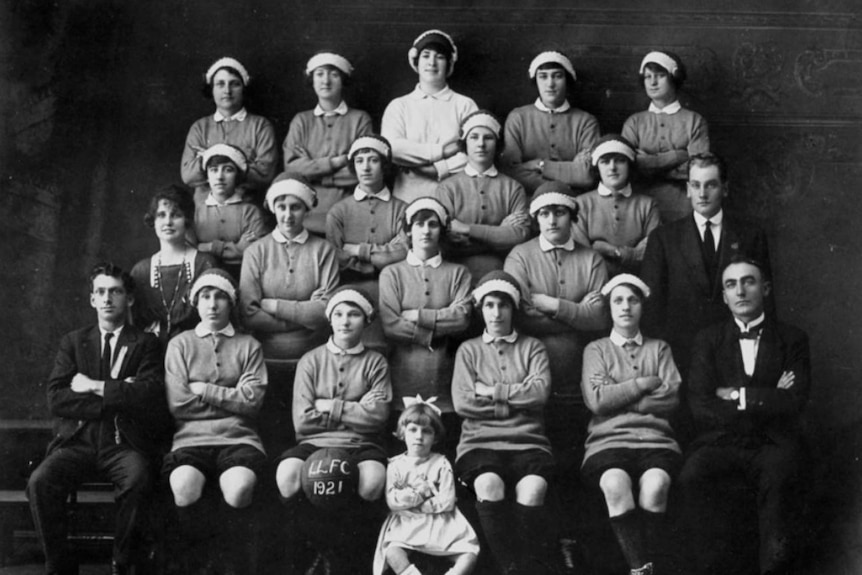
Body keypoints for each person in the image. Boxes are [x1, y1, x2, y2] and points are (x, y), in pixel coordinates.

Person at [27, 263, 168, 575]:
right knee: (40, 482)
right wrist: (118, 396)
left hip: (122, 443)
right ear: (92, 299)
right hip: (78, 441)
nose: (107, 299)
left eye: (115, 291)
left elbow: (149, 395)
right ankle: (60, 565)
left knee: (138, 478)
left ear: (128, 299)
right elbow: (57, 398)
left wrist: (93, 387)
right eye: (101, 292)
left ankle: (121, 561)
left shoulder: (145, 344)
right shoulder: (74, 342)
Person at [679, 257, 810, 575]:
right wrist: (767, 396)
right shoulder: (707, 340)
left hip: (772, 441)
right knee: (691, 476)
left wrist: (737, 396)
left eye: (748, 281)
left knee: (781, 479)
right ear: (724, 296)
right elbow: (700, 405)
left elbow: (794, 400)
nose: (740, 291)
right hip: (721, 440)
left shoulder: (792, 338)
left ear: (764, 289)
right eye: (731, 284)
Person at [504, 181, 608, 567]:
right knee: (532, 464)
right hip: (528, 376)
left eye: (559, 212)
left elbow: (600, 318)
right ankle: (534, 550)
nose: (551, 219)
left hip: (575, 379)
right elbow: (519, 314)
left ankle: (570, 541)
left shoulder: (592, 259)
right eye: (544, 213)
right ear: (535, 219)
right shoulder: (520, 255)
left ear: (572, 217)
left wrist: (550, 304)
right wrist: (574, 311)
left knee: (571, 461)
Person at [275, 286, 392, 574]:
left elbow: (377, 418)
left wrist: (327, 406)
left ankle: (347, 556)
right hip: (314, 442)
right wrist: (355, 408)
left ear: (365, 321)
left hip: (360, 443)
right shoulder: (310, 361)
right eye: (338, 314)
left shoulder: (375, 362)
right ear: (330, 319)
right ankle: (315, 550)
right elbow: (303, 420)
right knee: (288, 476)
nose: (345, 321)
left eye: (353, 314)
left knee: (373, 480)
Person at [163, 268, 267, 573]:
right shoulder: (180, 345)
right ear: (195, 303)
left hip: (239, 439)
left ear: (230, 303)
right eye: (205, 297)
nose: (212, 304)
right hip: (190, 439)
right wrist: (231, 398)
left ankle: (229, 565)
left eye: (220, 297)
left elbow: (252, 402)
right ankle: (197, 565)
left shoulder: (249, 346)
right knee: (183, 484)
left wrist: (204, 389)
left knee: (239, 487)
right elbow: (180, 404)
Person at [452, 271, 556, 575]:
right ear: (480, 309)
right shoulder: (468, 350)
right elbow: (463, 403)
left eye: (503, 305)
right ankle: (511, 569)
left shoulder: (533, 347)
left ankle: (522, 568)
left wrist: (491, 392)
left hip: (529, 441)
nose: (496, 313)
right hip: (479, 443)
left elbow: (539, 395)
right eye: (489, 305)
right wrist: (514, 397)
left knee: (533, 488)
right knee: (489, 484)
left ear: (513, 308)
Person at [581, 274, 682, 575]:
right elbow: (597, 401)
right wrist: (641, 383)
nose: (626, 307)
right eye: (618, 301)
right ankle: (641, 569)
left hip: (656, 439)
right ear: (609, 308)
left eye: (633, 300)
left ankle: (648, 568)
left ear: (642, 306)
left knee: (656, 486)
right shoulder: (596, 350)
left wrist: (620, 392)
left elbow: (670, 397)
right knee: (615, 484)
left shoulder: (659, 348)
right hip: (607, 441)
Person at [641, 152, 771, 379]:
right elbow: (652, 309)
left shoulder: (751, 235)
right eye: (696, 185)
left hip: (738, 355)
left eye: (710, 185)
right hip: (681, 355)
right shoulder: (663, 238)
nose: (702, 194)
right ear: (688, 189)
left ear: (725, 189)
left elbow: (766, 301)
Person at [378, 196, 472, 456]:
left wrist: (416, 315)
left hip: (444, 378)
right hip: (403, 376)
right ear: (408, 230)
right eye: (419, 224)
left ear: (441, 230)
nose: (426, 230)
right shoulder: (392, 274)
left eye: (433, 224)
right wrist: (440, 326)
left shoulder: (458, 273)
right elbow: (391, 325)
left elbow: (462, 319)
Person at [373, 398, 480, 575]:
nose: (419, 436)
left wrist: (418, 505)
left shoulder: (441, 462)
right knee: (392, 552)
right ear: (402, 432)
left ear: (435, 437)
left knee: (469, 553)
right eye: (413, 429)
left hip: (441, 520)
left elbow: (446, 500)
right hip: (407, 521)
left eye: (426, 431)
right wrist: (421, 494)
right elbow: (393, 501)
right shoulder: (395, 465)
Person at [240, 174, 339, 362]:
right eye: (281, 207)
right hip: (263, 355)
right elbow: (249, 315)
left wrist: (274, 306)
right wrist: (304, 317)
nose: (288, 215)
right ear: (273, 209)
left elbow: (326, 312)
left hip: (315, 354)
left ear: (306, 209)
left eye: (295, 207)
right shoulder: (255, 251)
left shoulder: (324, 250)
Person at [327, 134, 408, 351]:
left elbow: (403, 253)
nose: (366, 167)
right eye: (359, 161)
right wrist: (381, 256)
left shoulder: (402, 210)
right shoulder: (339, 211)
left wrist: (356, 249)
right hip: (349, 291)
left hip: (391, 292)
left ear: (384, 165)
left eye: (373, 160)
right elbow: (336, 257)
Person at [382, 29, 478, 204]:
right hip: (406, 199)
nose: (432, 63)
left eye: (440, 57)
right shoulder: (399, 106)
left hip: (455, 199)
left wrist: (435, 169)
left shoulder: (465, 105)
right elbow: (392, 148)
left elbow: (474, 152)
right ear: (416, 62)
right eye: (426, 56)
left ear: (449, 63)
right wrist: (443, 151)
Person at [283, 52, 373, 234]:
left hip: (348, 215)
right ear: (312, 80)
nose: (326, 81)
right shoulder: (301, 121)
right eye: (320, 74)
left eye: (334, 74)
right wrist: (336, 163)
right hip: (305, 217)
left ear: (343, 80)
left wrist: (314, 171)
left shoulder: (360, 119)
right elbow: (291, 170)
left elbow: (362, 172)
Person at [436, 110, 530, 284]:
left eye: (488, 137)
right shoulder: (447, 188)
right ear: (464, 143)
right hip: (454, 274)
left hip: (502, 272)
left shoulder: (512, 188)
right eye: (474, 137)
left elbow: (519, 236)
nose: (481, 144)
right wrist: (498, 234)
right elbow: (447, 242)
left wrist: (466, 229)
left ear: (498, 144)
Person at [622, 50, 710, 224]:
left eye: (660, 75)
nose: (653, 82)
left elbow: (697, 169)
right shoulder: (634, 122)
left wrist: (647, 162)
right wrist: (678, 156)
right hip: (639, 204)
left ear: (674, 78)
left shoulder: (694, 121)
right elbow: (628, 167)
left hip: (682, 204)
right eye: (648, 77)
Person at [501, 50, 600, 197]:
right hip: (530, 201)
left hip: (576, 203)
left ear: (567, 79)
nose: (550, 84)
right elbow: (512, 171)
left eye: (557, 76)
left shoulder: (586, 122)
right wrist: (567, 177)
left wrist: (540, 165)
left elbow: (586, 175)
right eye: (543, 77)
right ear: (536, 81)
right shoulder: (518, 118)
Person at [181, 56, 278, 203]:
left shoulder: (260, 126)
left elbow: (265, 175)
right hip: (205, 211)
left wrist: (207, 159)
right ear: (211, 89)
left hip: (247, 210)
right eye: (220, 84)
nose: (227, 90)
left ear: (244, 88)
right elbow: (188, 175)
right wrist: (243, 166)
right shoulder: (199, 128)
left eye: (234, 84)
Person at [131, 185, 218, 348]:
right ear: (153, 221)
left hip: (196, 350)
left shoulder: (204, 264)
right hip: (150, 354)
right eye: (161, 215)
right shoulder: (141, 271)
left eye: (176, 215)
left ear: (186, 220)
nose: (168, 222)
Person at [571, 135, 660, 277]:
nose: (612, 167)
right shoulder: (582, 204)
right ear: (597, 166)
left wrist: (611, 251)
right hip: (594, 280)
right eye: (605, 162)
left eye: (620, 161)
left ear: (629, 165)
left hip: (637, 280)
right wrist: (632, 253)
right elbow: (583, 255)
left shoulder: (647, 205)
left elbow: (652, 250)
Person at [194, 144, 269, 280]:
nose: (220, 177)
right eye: (214, 170)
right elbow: (190, 249)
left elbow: (252, 250)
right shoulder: (196, 212)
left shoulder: (250, 212)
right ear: (207, 176)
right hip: (203, 278)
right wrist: (236, 248)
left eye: (228, 170)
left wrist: (206, 246)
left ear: (237, 176)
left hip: (243, 276)